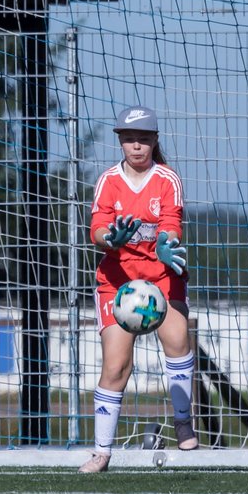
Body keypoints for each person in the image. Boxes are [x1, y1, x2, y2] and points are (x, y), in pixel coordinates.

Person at [79, 106, 194, 473]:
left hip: (161, 277)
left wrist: (166, 242)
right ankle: (101, 451)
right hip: (118, 283)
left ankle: (183, 422)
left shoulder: (167, 179)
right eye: (130, 139)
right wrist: (109, 239)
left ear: (155, 141)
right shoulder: (108, 181)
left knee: (177, 339)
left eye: (144, 139)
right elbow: (96, 229)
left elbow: (171, 223)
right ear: (120, 142)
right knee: (116, 366)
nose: (137, 146)